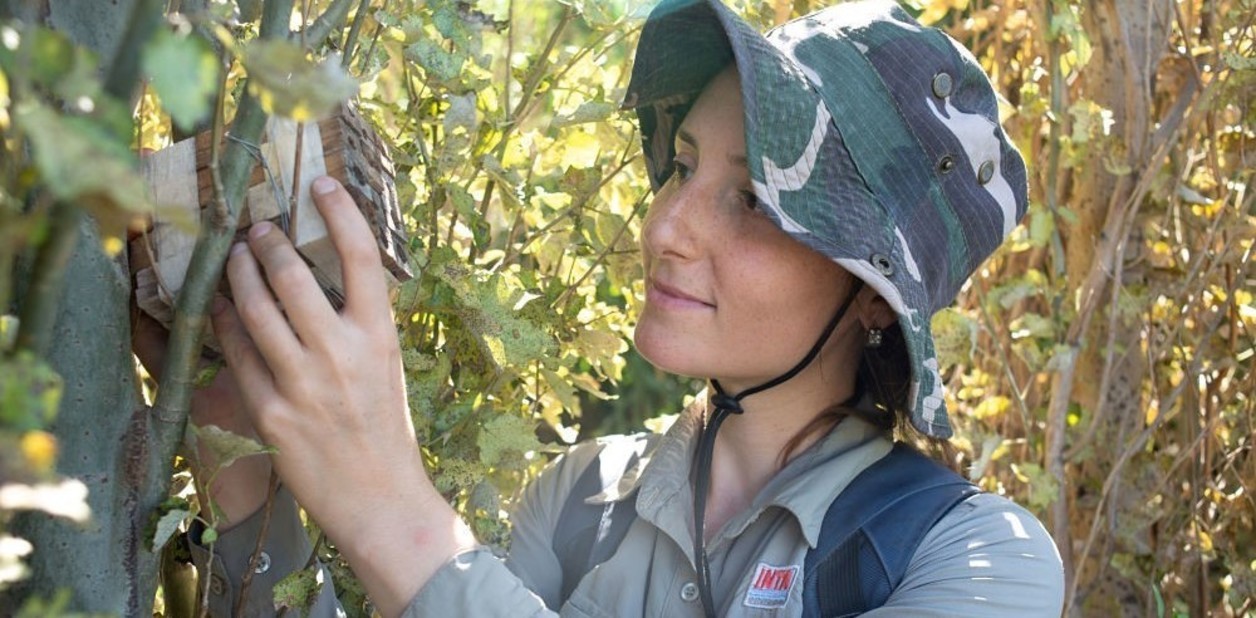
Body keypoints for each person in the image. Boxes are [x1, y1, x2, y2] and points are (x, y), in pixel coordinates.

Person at [136, 0, 1066, 615]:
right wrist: (246, 470)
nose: (667, 226)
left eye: (753, 201)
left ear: (871, 293)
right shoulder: (582, 497)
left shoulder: (972, 561)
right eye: (683, 166)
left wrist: (393, 509)